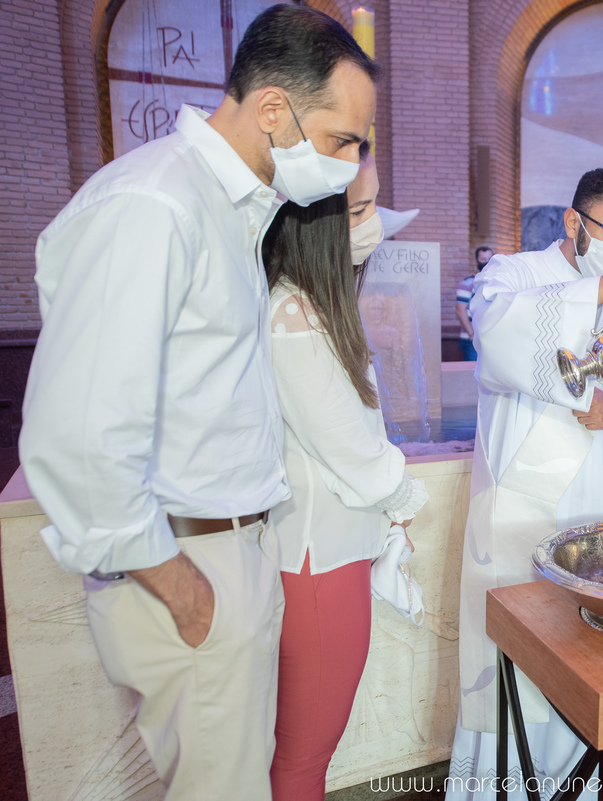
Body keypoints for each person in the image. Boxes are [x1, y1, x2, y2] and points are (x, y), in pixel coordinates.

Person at [18, 6, 378, 799]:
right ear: (274, 109)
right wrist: (181, 584)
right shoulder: (155, 203)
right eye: (342, 140)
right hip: (189, 559)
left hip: (230, 550)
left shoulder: (232, 212)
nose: (352, 166)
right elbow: (77, 430)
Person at [448, 168, 603, 798]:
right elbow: (495, 338)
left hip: (596, 505)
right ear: (574, 222)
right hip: (520, 511)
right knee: (512, 674)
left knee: (580, 671)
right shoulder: (512, 275)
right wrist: (595, 293)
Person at [264, 147, 428, 800]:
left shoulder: (309, 307)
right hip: (317, 564)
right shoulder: (293, 317)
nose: (375, 223)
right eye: (360, 209)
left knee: (299, 755)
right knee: (304, 759)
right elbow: (355, 452)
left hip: (321, 558)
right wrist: (402, 496)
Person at [456, 245, 494, 360]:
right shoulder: (466, 283)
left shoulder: (495, 282)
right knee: (471, 374)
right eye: (483, 259)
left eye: (490, 259)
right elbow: (460, 310)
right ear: (476, 260)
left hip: (490, 339)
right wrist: (472, 334)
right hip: (471, 339)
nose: (487, 262)